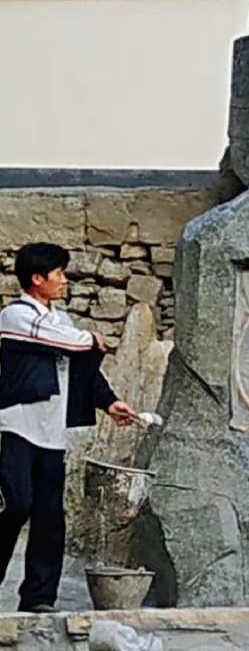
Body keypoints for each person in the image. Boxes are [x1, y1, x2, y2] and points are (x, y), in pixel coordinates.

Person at [0, 243, 138, 612]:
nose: (64, 280)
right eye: (59, 273)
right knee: (15, 504)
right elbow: (59, 340)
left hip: (51, 434)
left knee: (50, 518)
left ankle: (38, 599)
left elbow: (81, 369)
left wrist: (109, 402)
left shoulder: (61, 320)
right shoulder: (15, 316)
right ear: (37, 279)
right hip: (15, 428)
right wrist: (92, 339)